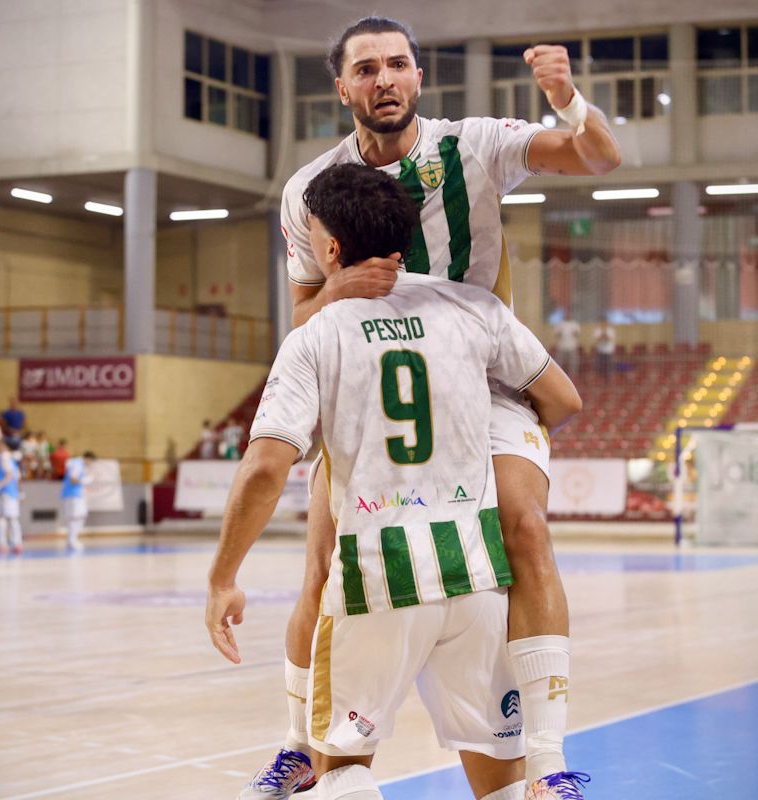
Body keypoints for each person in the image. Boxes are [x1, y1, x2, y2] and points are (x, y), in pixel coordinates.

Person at [257, 15, 619, 799]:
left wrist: (567, 99)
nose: (384, 79)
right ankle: (297, 744)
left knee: (524, 525)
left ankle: (547, 764)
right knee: (323, 562)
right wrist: (338, 290)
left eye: (398, 64)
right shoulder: (311, 189)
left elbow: (598, 156)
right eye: (366, 68)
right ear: (342, 86)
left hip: (481, 379)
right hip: (369, 387)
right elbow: (300, 317)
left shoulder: (474, 145)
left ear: (419, 77)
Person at [208, 164, 585, 800]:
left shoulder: (315, 334)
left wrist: (223, 577)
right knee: (500, 782)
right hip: (474, 580)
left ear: (330, 248)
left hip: (375, 585)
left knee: (342, 773)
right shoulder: (473, 308)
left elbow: (267, 466)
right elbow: (564, 399)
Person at [0, 440, 23, 554]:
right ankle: (14, 543)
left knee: (5, 518)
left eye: (0, 445)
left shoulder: (4, 457)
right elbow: (17, 477)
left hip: (6, 491)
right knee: (9, 518)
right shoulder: (12, 459)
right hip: (10, 492)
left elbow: (9, 474)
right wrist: (20, 492)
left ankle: (6, 543)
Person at [61, 451, 94, 552]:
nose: (91, 464)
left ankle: (71, 540)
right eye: (91, 461)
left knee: (79, 516)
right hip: (73, 495)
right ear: (88, 458)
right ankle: (72, 540)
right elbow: (73, 479)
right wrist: (84, 480)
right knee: (76, 517)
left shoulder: (77, 464)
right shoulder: (77, 464)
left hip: (74, 494)